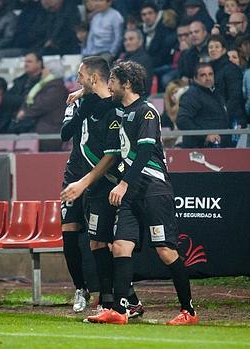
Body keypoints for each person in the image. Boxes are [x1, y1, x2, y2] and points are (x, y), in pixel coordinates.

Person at [88, 61, 197, 325]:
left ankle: (189, 311)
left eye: (113, 80)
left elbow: (146, 152)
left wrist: (124, 183)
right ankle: (122, 310)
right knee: (121, 247)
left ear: (126, 84)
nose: (110, 85)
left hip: (152, 189)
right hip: (130, 190)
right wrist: (82, 92)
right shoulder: (119, 111)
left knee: (165, 251)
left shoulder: (147, 112)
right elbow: (100, 95)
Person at [60, 56, 144, 318]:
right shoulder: (85, 102)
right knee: (86, 237)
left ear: (93, 78)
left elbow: (113, 153)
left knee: (111, 243)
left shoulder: (117, 106)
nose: (76, 80)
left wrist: (86, 182)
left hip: (107, 179)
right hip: (80, 175)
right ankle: (93, 294)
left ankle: (124, 298)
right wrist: (83, 94)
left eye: (80, 75)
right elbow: (66, 132)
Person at [12, 60, 66, 150]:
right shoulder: (48, 86)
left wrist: (25, 112)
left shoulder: (56, 88)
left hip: (50, 133)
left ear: (50, 71)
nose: (42, 71)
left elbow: (41, 104)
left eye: (44, 68)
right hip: (43, 129)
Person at [177, 63, 230, 148]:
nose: (208, 78)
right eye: (203, 75)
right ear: (195, 78)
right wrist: (206, 135)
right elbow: (182, 120)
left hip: (217, 147)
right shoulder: (192, 95)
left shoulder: (216, 93)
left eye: (210, 74)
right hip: (199, 150)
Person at [207, 35, 245, 128]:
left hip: (232, 120)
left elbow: (235, 96)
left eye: (217, 46)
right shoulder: (209, 70)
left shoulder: (231, 69)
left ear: (224, 50)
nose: (213, 50)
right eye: (210, 47)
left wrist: (223, 115)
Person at [118, 29, 153, 94]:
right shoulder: (123, 58)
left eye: (131, 39)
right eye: (125, 40)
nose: (127, 43)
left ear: (140, 41)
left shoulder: (144, 60)